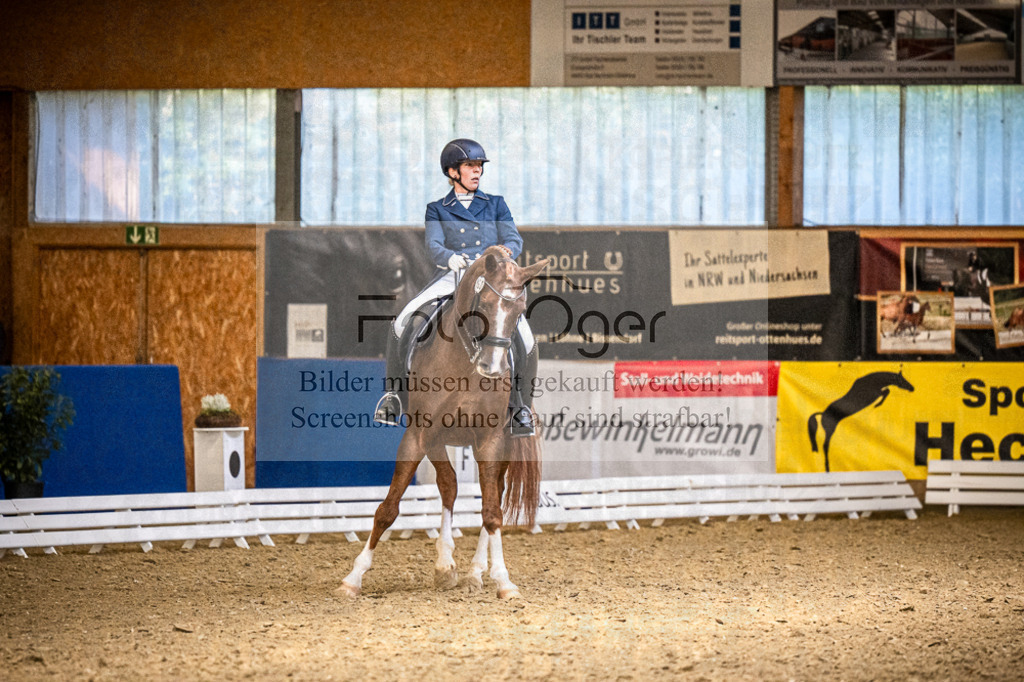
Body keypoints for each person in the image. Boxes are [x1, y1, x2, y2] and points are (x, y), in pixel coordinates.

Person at [373, 138, 537, 436]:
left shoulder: (496, 204)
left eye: (479, 167)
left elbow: (515, 239)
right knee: (402, 321)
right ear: (452, 172)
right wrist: (450, 258)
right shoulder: (437, 209)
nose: (477, 172)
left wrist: (505, 252)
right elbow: (433, 245)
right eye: (470, 166)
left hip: (491, 278)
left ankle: (520, 407)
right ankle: (393, 396)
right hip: (454, 274)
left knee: (526, 337)